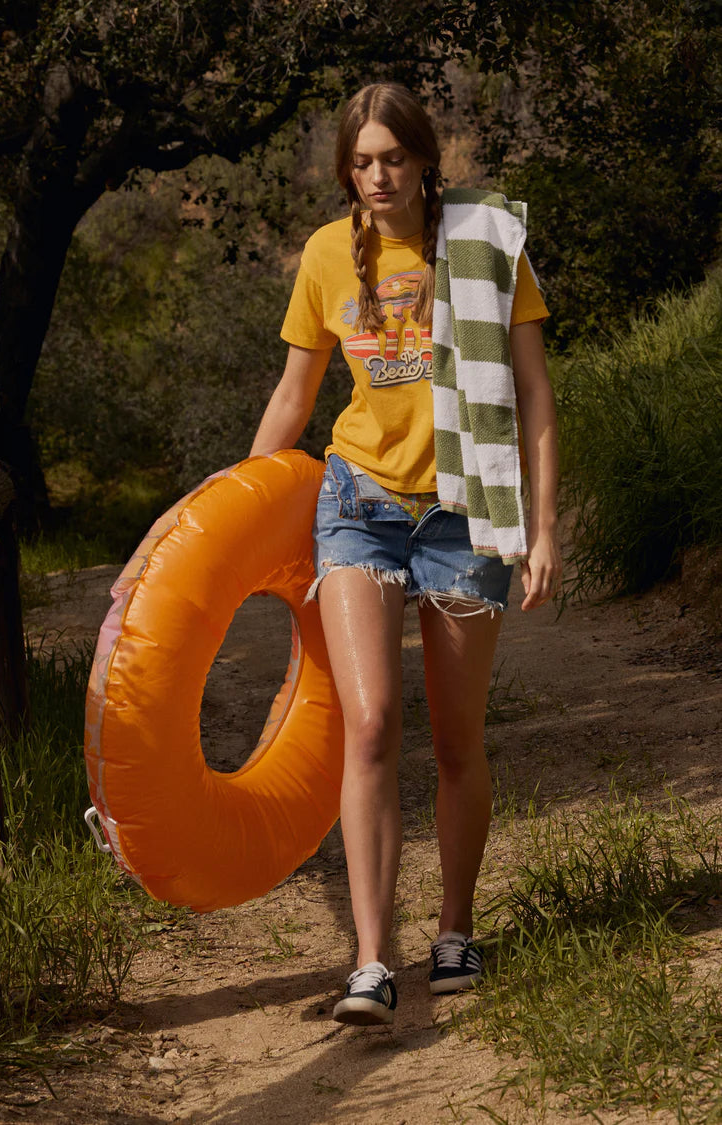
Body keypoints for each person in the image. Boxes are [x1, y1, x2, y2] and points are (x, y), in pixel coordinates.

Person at [250, 83, 561, 1027]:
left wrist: (544, 527)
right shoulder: (323, 255)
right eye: (362, 162)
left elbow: (535, 394)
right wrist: (241, 510)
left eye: (393, 158)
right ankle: (372, 959)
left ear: (425, 159)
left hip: (464, 511)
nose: (378, 177)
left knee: (458, 739)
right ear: (347, 171)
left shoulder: (485, 246)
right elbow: (295, 395)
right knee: (373, 723)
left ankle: (455, 930)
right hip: (360, 504)